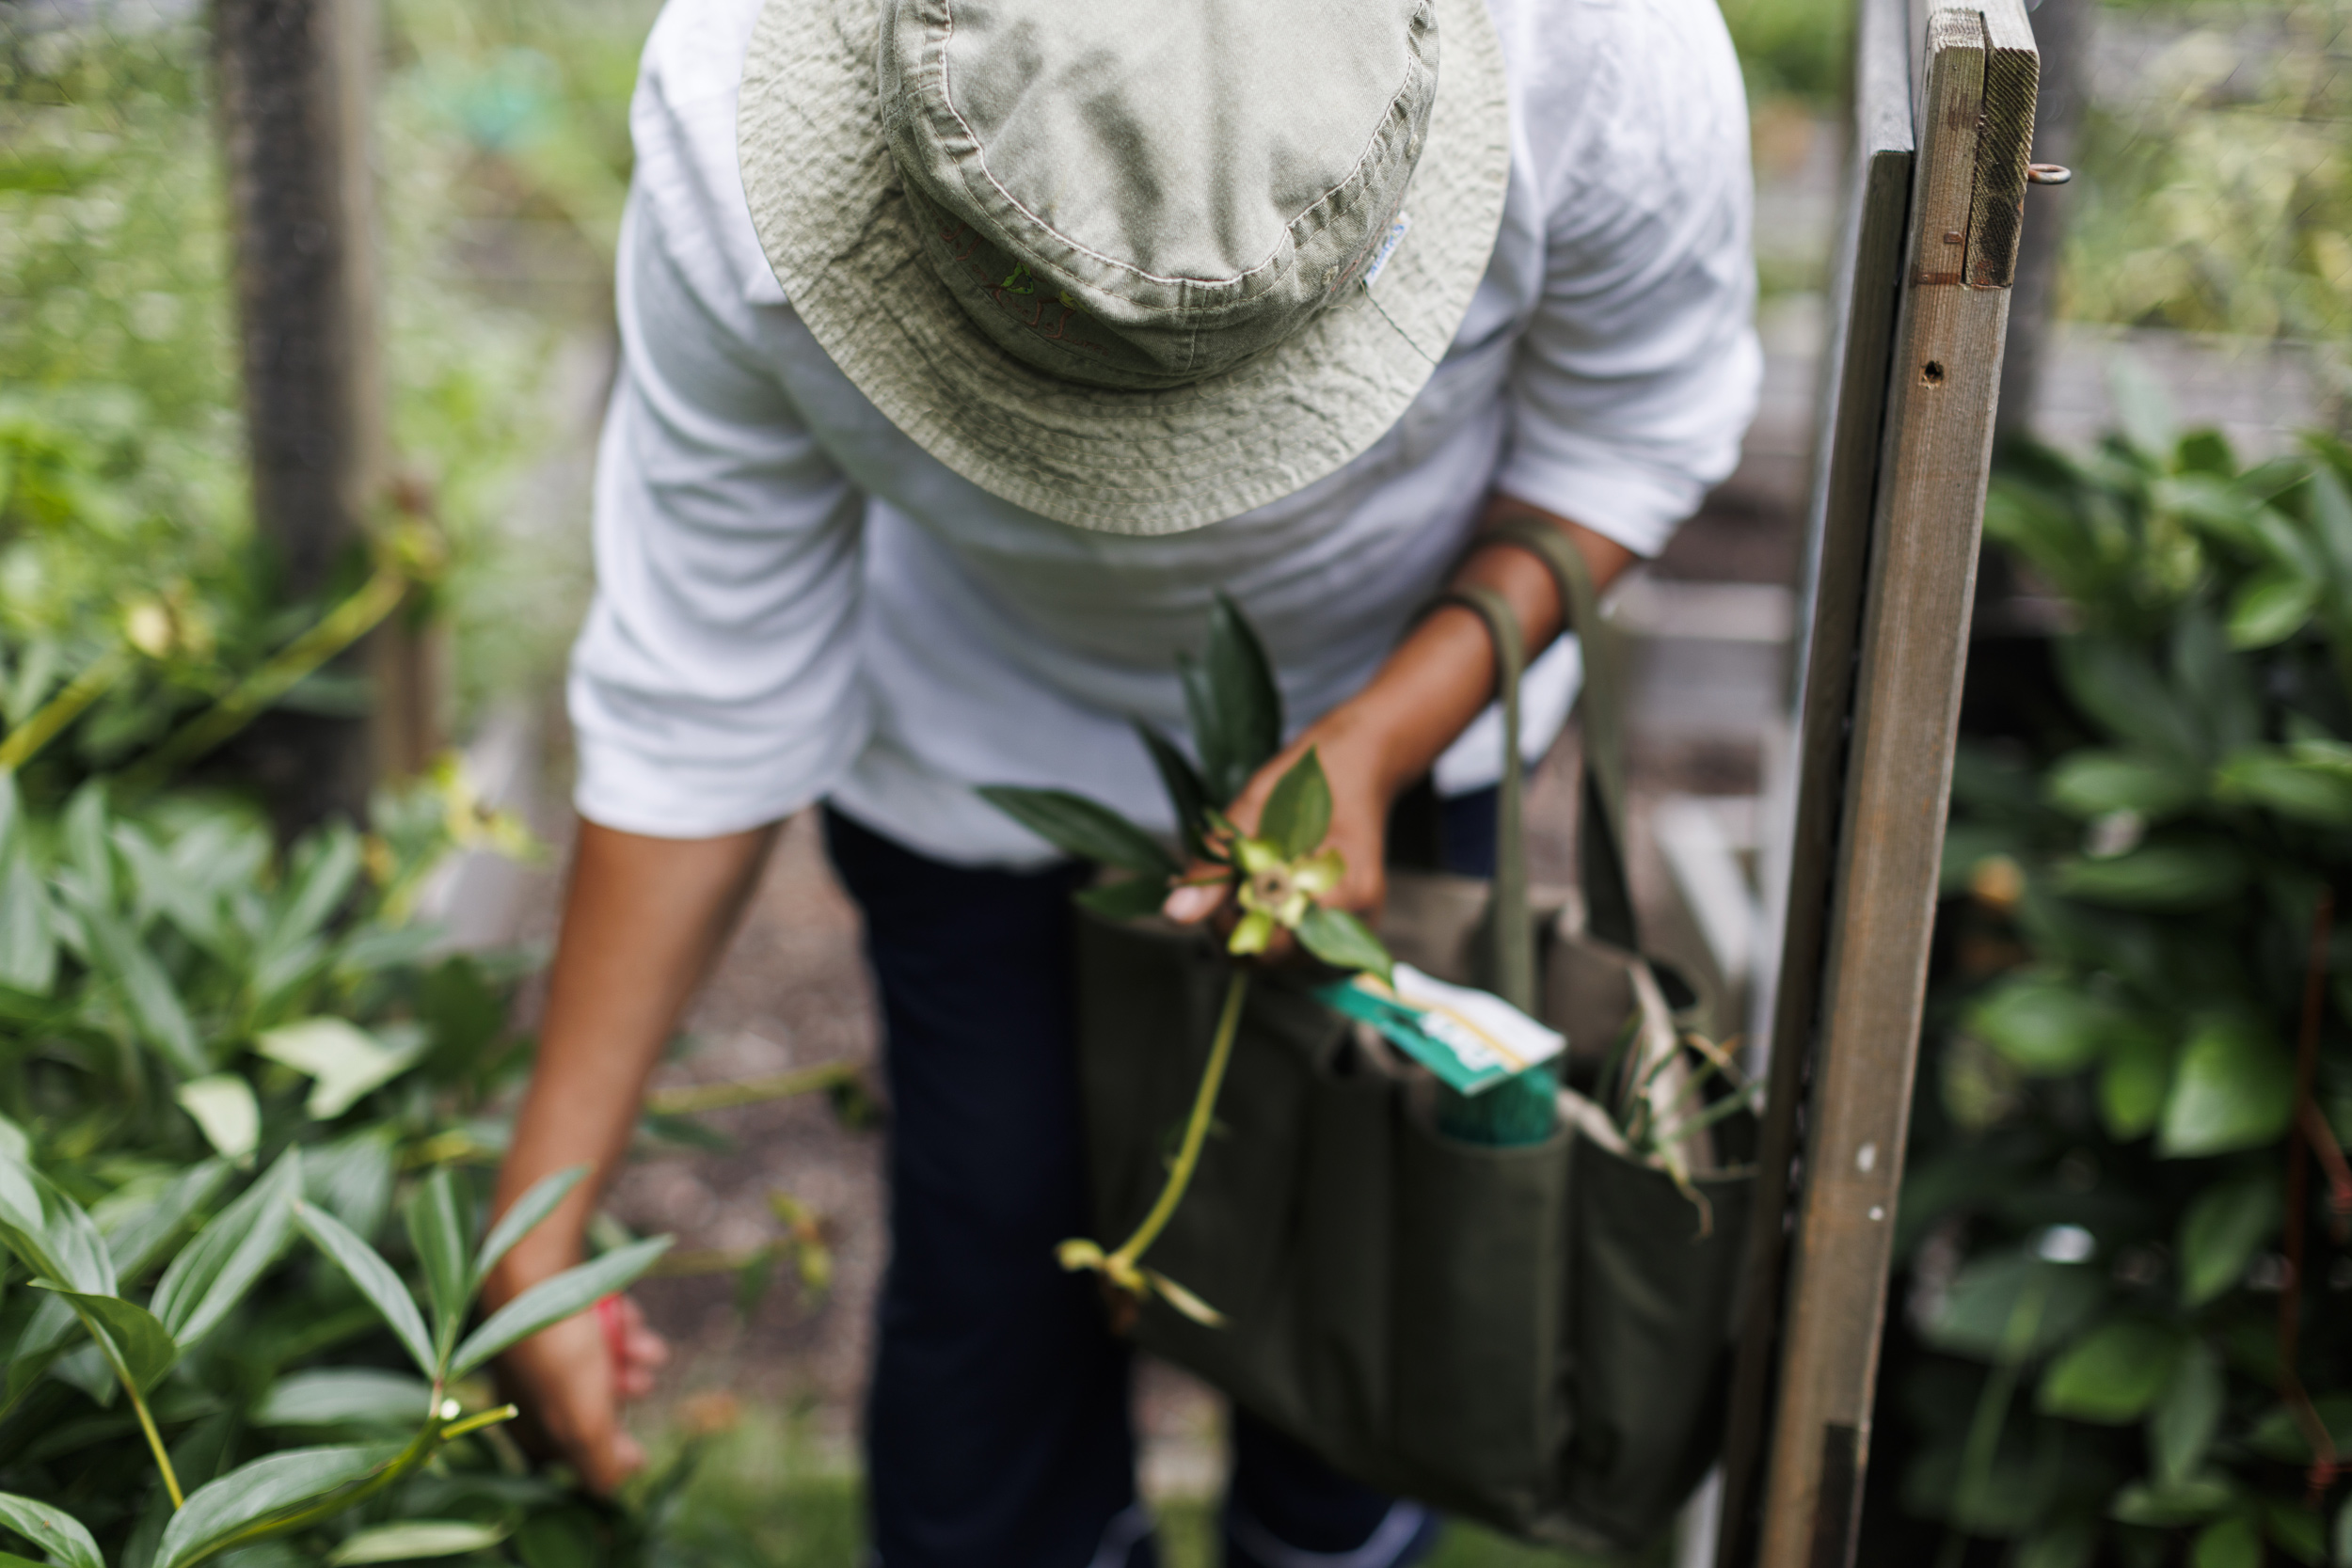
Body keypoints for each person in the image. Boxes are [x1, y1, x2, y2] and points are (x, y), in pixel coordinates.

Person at [484, 0, 1759, 1560]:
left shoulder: (1601, 46)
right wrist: (543, 1213)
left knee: (1365, 1281)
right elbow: (702, 686)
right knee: (995, 1262)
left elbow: (1631, 427)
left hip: (1410, 710)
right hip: (971, 752)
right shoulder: (724, 115)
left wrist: (1371, 744)